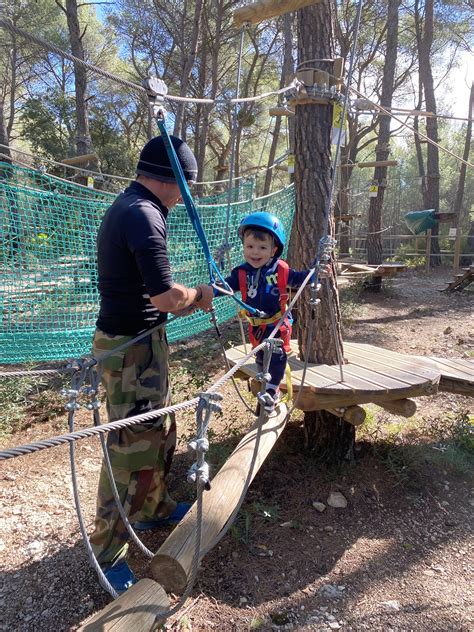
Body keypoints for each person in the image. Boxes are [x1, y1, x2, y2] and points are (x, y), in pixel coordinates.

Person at [89, 134, 214, 594]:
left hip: (142, 341)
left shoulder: (136, 207)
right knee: (129, 449)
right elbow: (165, 296)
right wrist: (201, 296)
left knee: (157, 430)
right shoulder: (143, 215)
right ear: (169, 180)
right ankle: (107, 553)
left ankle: (153, 507)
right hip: (129, 350)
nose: (185, 197)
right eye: (185, 186)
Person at [219, 212, 323, 412]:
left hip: (277, 324)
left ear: (274, 250)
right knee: (261, 359)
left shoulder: (281, 270)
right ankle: (267, 387)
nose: (255, 252)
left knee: (276, 357)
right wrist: (206, 292)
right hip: (257, 328)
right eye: (250, 247)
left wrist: (315, 272)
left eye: (262, 248)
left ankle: (272, 392)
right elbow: (225, 287)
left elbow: (301, 278)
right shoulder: (241, 273)